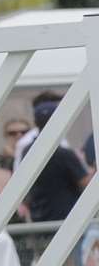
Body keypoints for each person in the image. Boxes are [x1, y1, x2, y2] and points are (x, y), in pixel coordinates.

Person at [19, 92, 93, 223]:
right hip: (67, 222)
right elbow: (87, 183)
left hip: (39, 220)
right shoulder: (63, 154)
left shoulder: (27, 151)